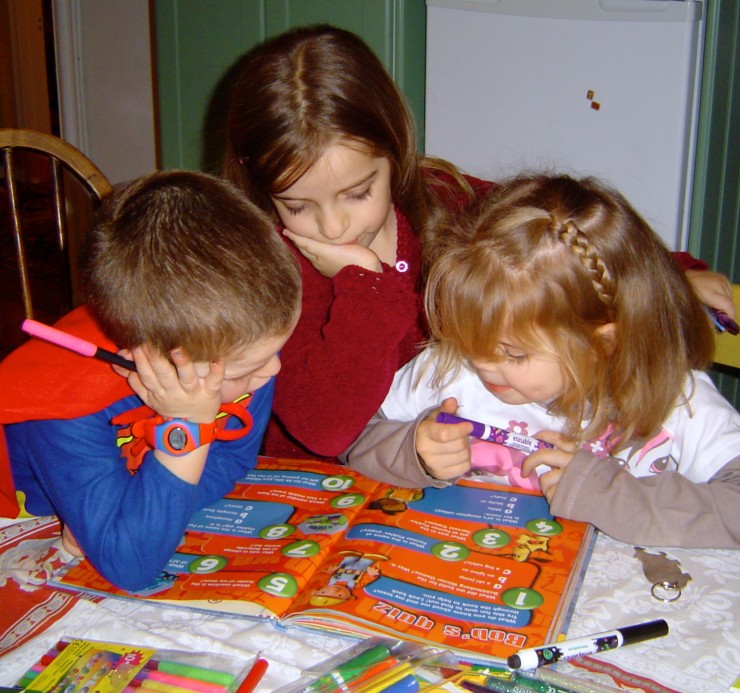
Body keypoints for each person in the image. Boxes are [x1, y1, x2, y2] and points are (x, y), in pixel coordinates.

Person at [223, 24, 735, 463]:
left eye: (358, 193)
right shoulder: (268, 270)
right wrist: (365, 284)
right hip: (332, 490)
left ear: (396, 152)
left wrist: (669, 270)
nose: (332, 227)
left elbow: (554, 229)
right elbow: (328, 430)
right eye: (297, 205)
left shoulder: (445, 199)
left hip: (461, 475)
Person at [343, 173, 740, 549]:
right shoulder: (450, 366)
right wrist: (412, 451)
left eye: (513, 354)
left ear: (602, 343)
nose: (482, 364)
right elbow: (355, 439)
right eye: (466, 338)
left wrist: (611, 495)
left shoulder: (675, 397)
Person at [0, 170, 302, 590]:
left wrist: (143, 508)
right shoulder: (60, 408)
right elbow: (130, 566)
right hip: (25, 516)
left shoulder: (237, 351)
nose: (273, 372)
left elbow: (233, 459)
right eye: (245, 371)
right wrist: (188, 431)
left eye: (272, 352)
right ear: (143, 363)